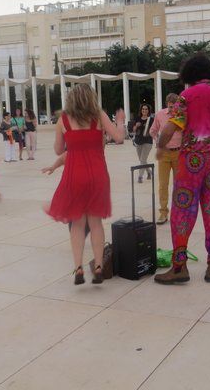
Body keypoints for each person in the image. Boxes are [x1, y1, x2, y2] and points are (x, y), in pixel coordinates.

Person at [154, 53, 210, 285]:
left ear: (190, 74)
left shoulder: (187, 96)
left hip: (190, 162)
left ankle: (179, 267)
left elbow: (168, 129)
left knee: (183, 211)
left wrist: (160, 148)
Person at [46, 83, 125, 285]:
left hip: (74, 175)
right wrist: (120, 121)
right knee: (96, 223)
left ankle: (78, 267)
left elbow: (58, 150)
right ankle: (98, 267)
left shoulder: (63, 120)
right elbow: (119, 138)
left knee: (78, 224)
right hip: (97, 175)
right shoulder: (99, 116)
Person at [150, 94, 181, 224]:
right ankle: (163, 212)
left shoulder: (181, 116)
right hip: (164, 153)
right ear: (167, 103)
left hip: (179, 153)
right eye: (170, 105)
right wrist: (158, 141)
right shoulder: (160, 114)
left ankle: (178, 212)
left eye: (174, 105)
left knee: (179, 184)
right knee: (163, 184)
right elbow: (152, 130)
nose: (172, 107)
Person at [133, 103, 154, 183]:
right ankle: (149, 172)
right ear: (141, 110)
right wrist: (136, 126)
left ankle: (140, 176)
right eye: (143, 109)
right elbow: (133, 130)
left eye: (146, 109)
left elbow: (153, 130)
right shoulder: (137, 118)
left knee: (142, 159)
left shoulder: (151, 120)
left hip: (148, 142)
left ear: (148, 111)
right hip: (138, 141)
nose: (144, 110)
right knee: (142, 160)